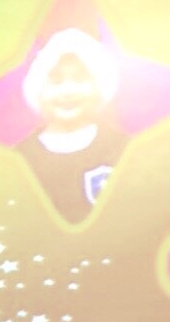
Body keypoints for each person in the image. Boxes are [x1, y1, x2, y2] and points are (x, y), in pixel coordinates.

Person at [17, 28, 127, 224]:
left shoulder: (123, 150)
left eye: (80, 79)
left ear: (98, 85)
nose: (68, 91)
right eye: (55, 80)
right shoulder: (20, 159)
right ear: (37, 88)